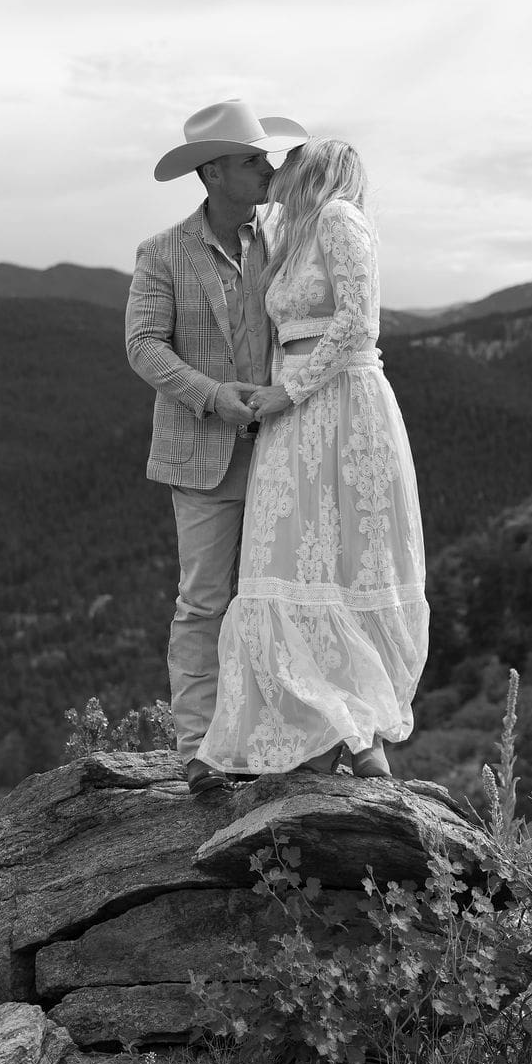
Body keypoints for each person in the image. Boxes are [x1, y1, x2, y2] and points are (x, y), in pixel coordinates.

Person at [195, 138, 429, 779]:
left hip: (339, 409)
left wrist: (287, 391)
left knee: (338, 566)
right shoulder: (298, 232)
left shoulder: (339, 218)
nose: (275, 168)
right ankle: (325, 733)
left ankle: (358, 734)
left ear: (315, 168)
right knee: (285, 564)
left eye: (286, 160)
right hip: (295, 415)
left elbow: (359, 323)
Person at [126, 98, 309, 795]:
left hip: (282, 448)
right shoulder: (163, 253)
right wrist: (212, 395)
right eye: (251, 160)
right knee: (204, 599)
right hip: (202, 455)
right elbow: (142, 346)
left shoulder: (283, 239)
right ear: (211, 174)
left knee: (276, 594)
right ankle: (197, 742)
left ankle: (272, 730)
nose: (267, 168)